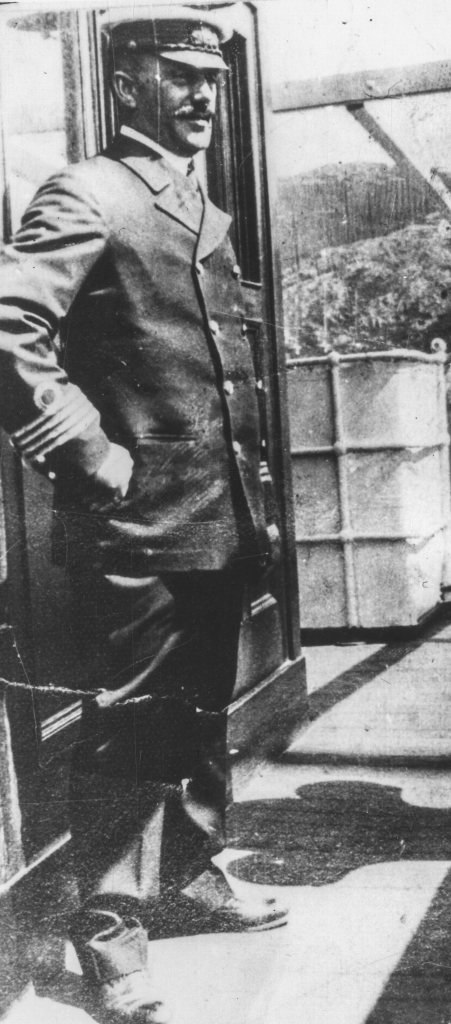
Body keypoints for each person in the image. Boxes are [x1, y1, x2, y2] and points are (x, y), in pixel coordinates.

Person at [0, 9, 285, 1022]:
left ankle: (196, 873)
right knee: (127, 731)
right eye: (179, 77)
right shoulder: (90, 193)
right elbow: (10, 325)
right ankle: (110, 933)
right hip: (135, 522)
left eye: (211, 79)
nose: (203, 97)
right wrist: (91, 455)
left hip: (214, 515)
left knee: (202, 708)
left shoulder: (194, 203)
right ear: (127, 86)